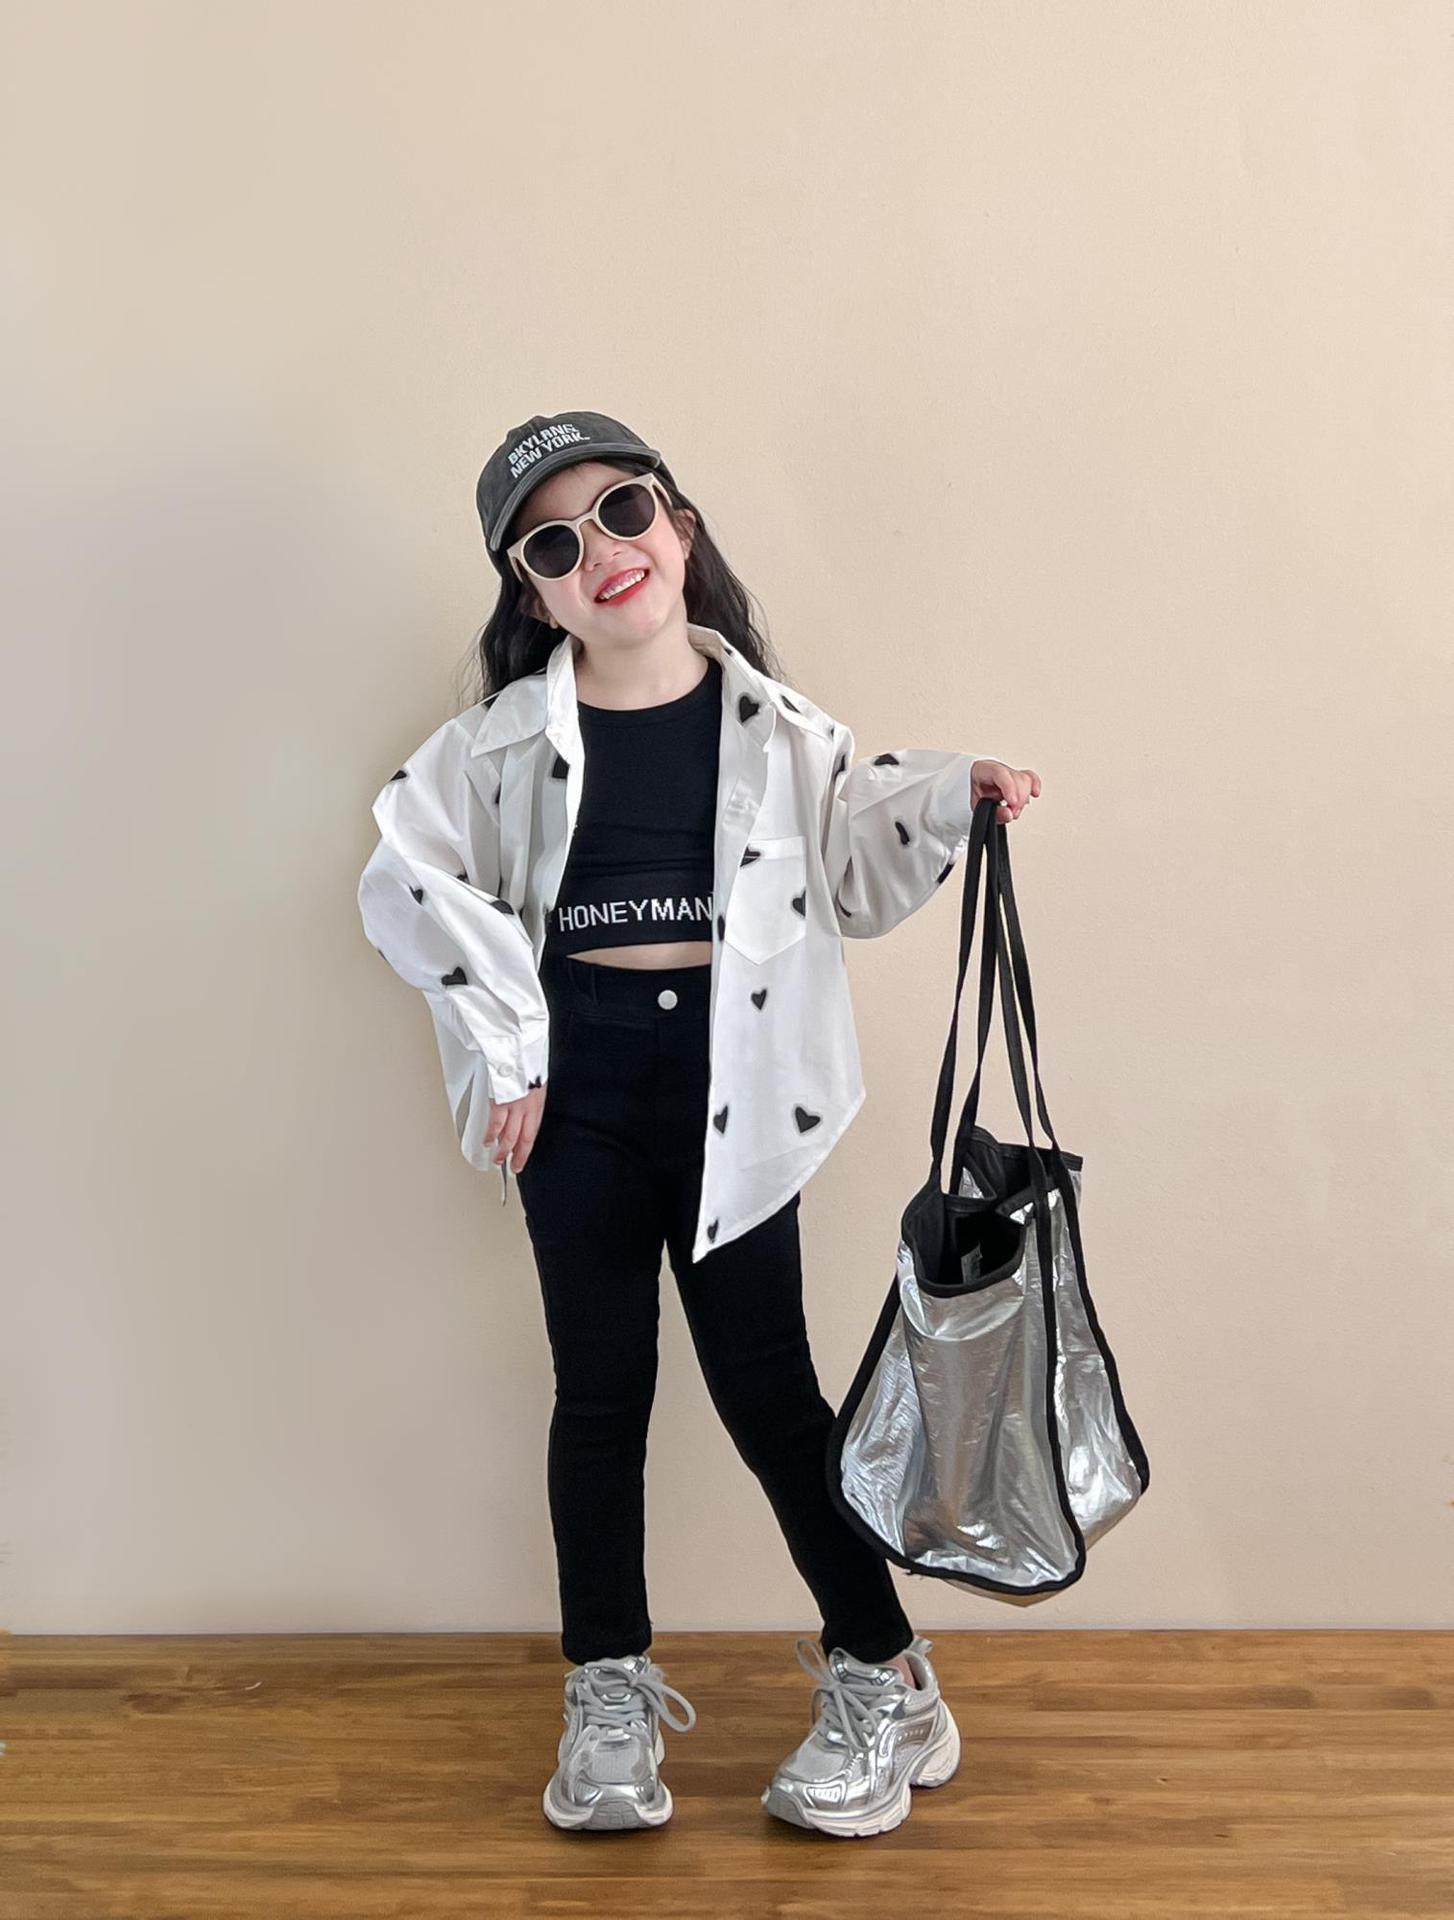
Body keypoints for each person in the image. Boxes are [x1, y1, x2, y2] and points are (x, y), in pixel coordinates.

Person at [357, 411, 1041, 1838]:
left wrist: (949, 794)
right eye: (554, 545)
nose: (600, 553)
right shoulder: (493, 747)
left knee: (770, 1396)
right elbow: (406, 879)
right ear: (531, 594)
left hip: (735, 1090)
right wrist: (510, 1049)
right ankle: (606, 1690)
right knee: (598, 1397)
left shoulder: (783, 733)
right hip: (579, 1094)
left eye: (622, 512)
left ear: (678, 523)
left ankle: (887, 1673)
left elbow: (851, 871)